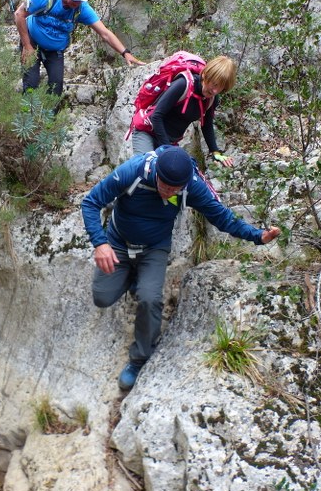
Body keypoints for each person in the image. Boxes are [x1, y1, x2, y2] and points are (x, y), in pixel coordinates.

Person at [81, 145, 281, 391]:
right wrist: (100, 243)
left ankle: (139, 359)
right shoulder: (133, 171)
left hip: (154, 248)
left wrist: (258, 236)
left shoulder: (192, 184)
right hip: (118, 242)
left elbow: (221, 217)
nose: (170, 193)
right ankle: (133, 277)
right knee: (102, 297)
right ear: (156, 175)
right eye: (166, 187)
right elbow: (90, 202)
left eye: (176, 190)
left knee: (150, 299)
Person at [14, 0, 145, 98]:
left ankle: (49, 120)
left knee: (56, 88)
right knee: (31, 84)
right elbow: (19, 14)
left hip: (55, 50)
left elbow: (105, 33)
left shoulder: (82, 9)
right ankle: (28, 119)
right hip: (32, 41)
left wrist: (125, 52)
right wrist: (27, 46)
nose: (76, 3)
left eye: (80, 0)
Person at [132, 55, 237, 169]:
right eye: (214, 84)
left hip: (169, 142)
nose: (215, 90)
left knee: (172, 179)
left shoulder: (212, 98)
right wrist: (167, 149)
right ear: (205, 75)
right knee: (145, 169)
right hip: (148, 131)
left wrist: (215, 152)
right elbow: (157, 116)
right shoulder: (183, 84)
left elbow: (206, 125)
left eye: (220, 87)